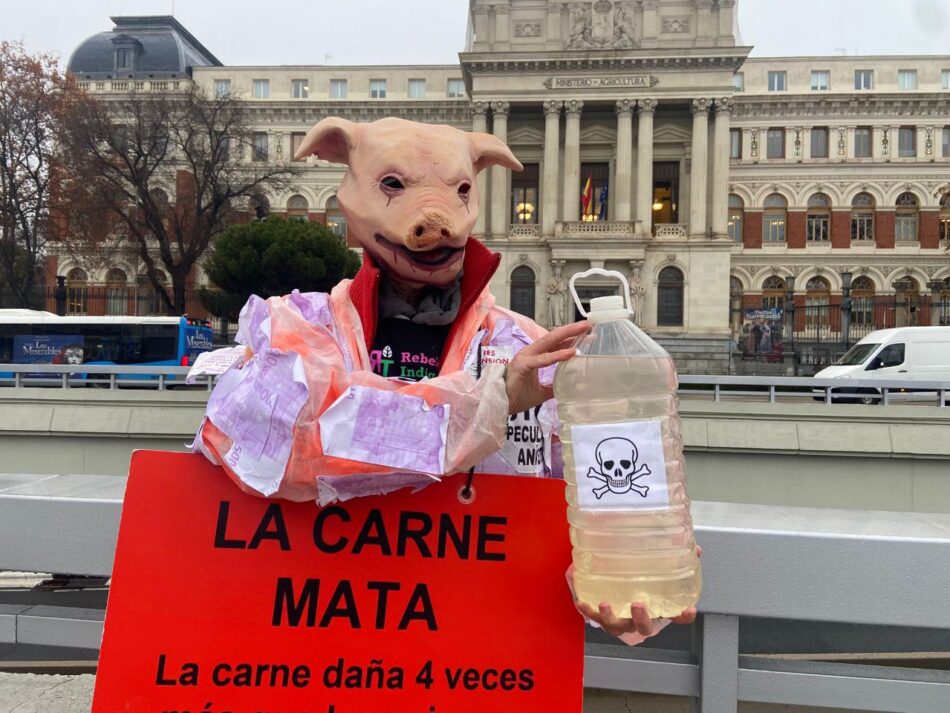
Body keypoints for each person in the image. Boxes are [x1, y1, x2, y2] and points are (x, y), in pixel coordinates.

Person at [194, 116, 695, 641]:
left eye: (460, 190)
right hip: (325, 639)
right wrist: (491, 402)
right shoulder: (295, 326)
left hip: (472, 648)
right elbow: (283, 444)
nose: (439, 223)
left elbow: (601, 492)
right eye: (393, 185)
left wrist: (624, 585)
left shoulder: (524, 346)